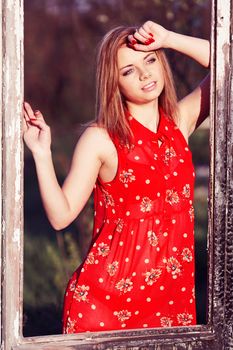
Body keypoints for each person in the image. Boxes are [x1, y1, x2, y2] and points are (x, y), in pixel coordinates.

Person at [23, 21, 210, 333]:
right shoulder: (101, 138)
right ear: (114, 82)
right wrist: (42, 153)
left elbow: (226, 64)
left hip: (170, 304)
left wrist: (167, 38)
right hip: (105, 307)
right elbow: (60, 216)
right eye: (128, 70)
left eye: (150, 60)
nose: (145, 74)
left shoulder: (181, 122)